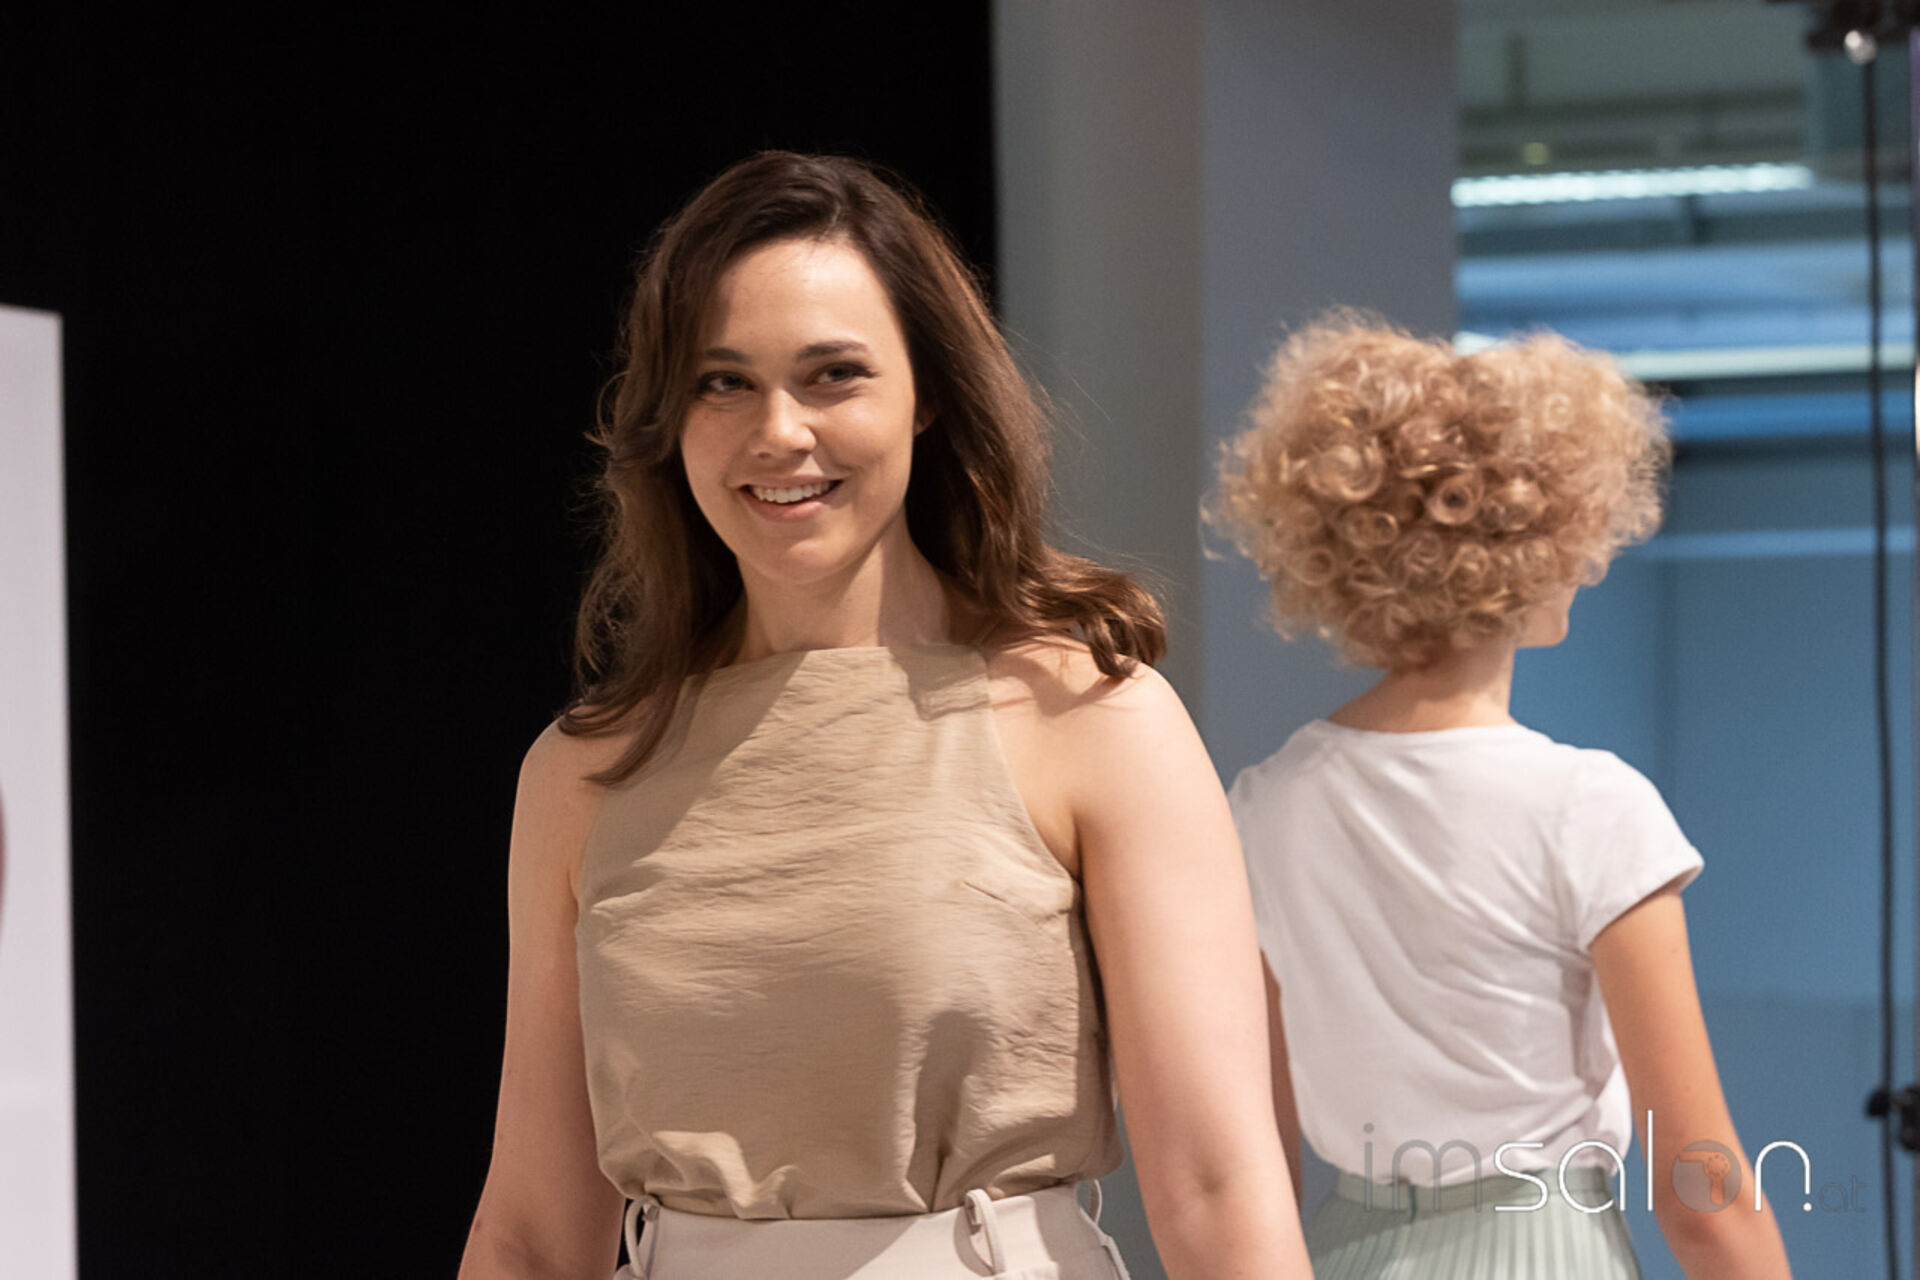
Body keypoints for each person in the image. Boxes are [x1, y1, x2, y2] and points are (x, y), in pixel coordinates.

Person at [458, 151, 1310, 1280]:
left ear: (929, 393)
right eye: (722, 382)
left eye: (833, 375)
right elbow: (530, 1227)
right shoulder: (584, 772)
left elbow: (1215, 1187)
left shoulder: (1087, 715)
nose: (779, 430)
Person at [1211, 316, 1793, 1278]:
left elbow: (1256, 1157)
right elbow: (1703, 1192)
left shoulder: (1263, 806)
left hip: (1344, 1252)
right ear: (1534, 540)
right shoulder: (1589, 808)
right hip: (1545, 1249)